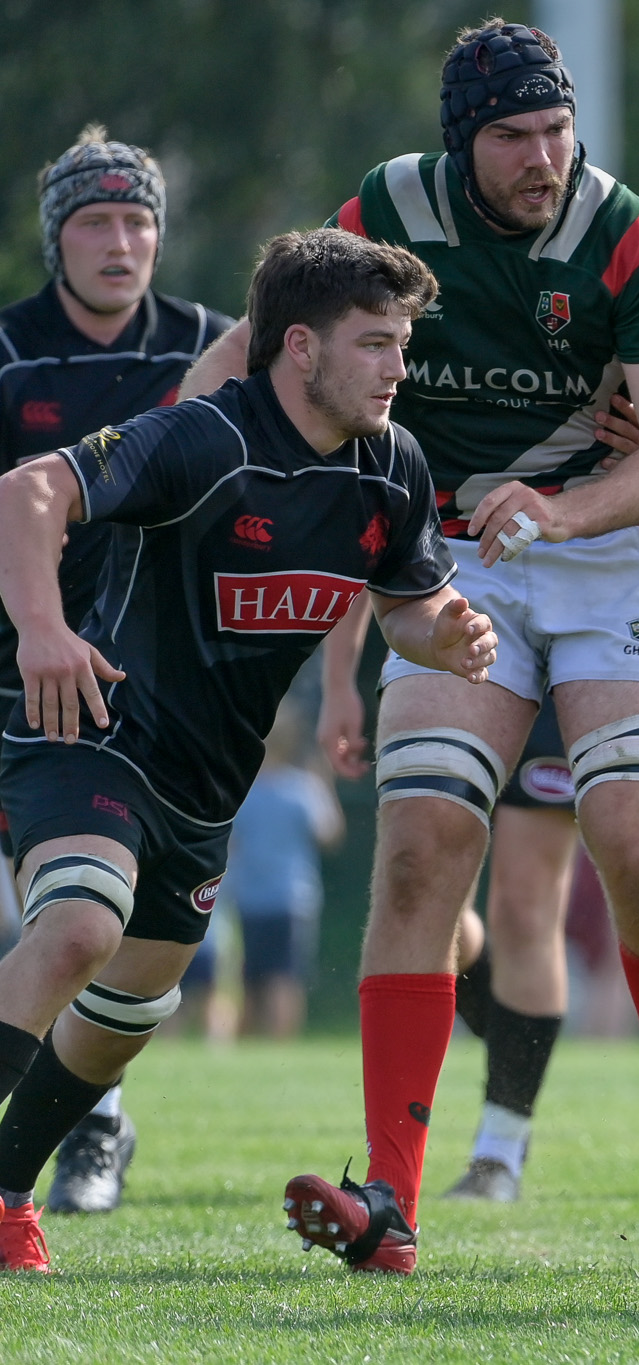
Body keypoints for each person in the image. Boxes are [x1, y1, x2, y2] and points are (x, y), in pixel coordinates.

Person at [183, 20, 639, 1270]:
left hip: (607, 551)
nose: (544, 156)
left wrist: (566, 509)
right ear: (459, 144)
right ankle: (389, 1201)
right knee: (420, 850)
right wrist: (165, 466)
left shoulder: (627, 233)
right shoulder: (388, 208)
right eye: (513, 137)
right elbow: (258, 349)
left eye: (556, 130)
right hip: (451, 558)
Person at [0, 227, 491, 1273]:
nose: (397, 369)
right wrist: (43, 631)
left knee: (129, 1011)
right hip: (95, 732)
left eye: (402, 345)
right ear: (299, 347)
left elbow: (405, 604)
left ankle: (5, 1190)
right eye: (374, 344)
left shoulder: (391, 463)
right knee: (81, 925)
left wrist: (441, 634)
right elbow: (27, 492)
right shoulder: (204, 437)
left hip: (208, 786)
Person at [316, 495, 639, 1204]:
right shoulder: (422, 436)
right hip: (469, 627)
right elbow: (376, 520)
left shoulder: (619, 432)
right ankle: (409, 1156)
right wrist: (338, 680)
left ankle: (499, 1148)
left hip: (584, 641)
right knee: (430, 891)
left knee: (526, 905)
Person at [0, 124, 237, 1217]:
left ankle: (93, 1121)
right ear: (57, 239)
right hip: (17, 661)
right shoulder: (11, 353)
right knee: (58, 916)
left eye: (138, 220)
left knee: (85, 913)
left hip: (145, 683)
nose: (120, 241)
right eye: (95, 221)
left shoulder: (211, 346)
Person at [225, 702, 344, 1039]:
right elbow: (330, 835)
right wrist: (326, 783)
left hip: (248, 896)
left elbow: (231, 844)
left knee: (249, 979)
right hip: (292, 898)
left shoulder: (243, 792)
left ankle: (247, 1047)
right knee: (285, 977)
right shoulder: (303, 788)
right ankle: (280, 1044)